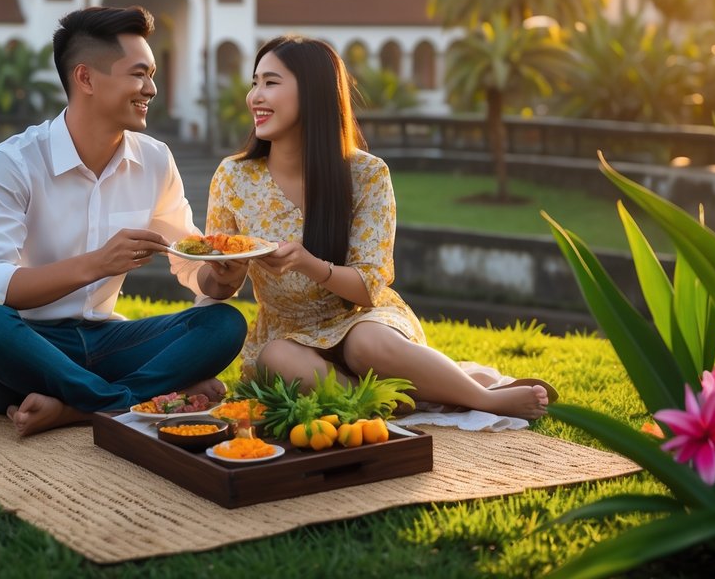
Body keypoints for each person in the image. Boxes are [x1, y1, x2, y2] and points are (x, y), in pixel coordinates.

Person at [202, 35, 555, 421]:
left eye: (271, 83)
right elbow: (215, 285)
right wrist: (224, 274)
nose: (255, 95)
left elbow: (370, 288)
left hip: (362, 318)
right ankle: (410, 398)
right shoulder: (233, 176)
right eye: (255, 83)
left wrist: (307, 262)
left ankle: (481, 398)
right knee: (277, 358)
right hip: (286, 333)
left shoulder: (367, 174)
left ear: (315, 92)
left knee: (364, 344)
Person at [0, 6, 248, 436]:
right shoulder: (13, 162)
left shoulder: (154, 160)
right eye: (138, 74)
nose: (151, 88)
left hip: (108, 343)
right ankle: (133, 400)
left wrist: (222, 278)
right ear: (86, 78)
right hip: (28, 346)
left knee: (223, 322)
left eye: (151, 74)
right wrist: (98, 263)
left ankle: (81, 407)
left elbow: (188, 262)